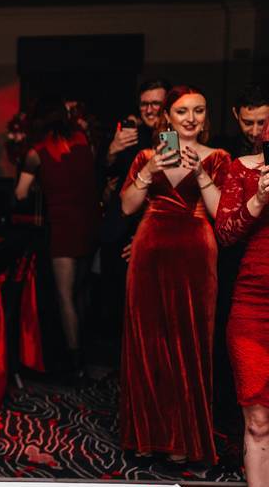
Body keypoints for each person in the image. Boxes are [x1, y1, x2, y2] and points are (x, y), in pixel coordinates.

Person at [118, 85, 230, 466]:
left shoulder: (218, 158)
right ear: (168, 117)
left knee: (191, 344)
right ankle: (147, 437)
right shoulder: (146, 156)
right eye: (183, 112)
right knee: (147, 343)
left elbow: (221, 215)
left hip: (196, 255)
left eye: (199, 111)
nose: (191, 119)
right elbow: (128, 207)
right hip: (150, 251)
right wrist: (149, 170)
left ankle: (185, 440)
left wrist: (200, 174)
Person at [214, 125, 269, 487]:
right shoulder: (242, 170)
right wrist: (259, 199)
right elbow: (226, 233)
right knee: (257, 419)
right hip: (252, 306)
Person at [15, 96, 100, 380]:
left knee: (64, 295)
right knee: (82, 290)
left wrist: (41, 182)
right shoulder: (82, 140)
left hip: (62, 225)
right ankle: (87, 352)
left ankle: (74, 361)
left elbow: (20, 194)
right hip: (89, 222)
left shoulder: (36, 152)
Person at [98, 78, 170, 342]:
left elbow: (168, 193)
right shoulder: (129, 137)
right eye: (144, 104)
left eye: (156, 103)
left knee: (150, 318)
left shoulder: (170, 138)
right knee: (118, 313)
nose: (149, 110)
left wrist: (143, 236)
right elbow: (105, 178)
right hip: (118, 233)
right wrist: (112, 151)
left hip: (150, 237)